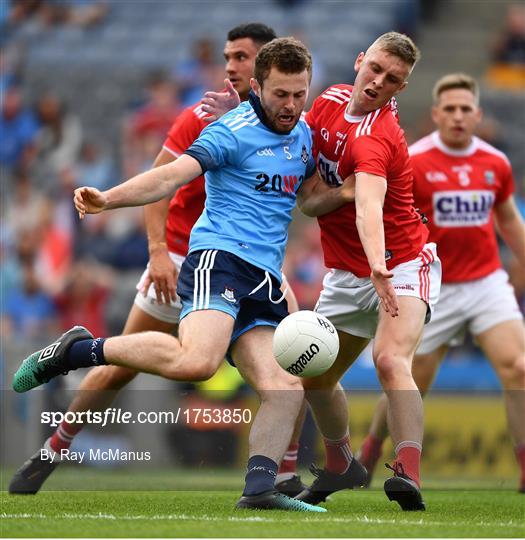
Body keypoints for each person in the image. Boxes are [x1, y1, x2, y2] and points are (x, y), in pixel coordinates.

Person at [12, 37, 328, 513]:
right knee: (194, 363)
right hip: (211, 261)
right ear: (260, 86)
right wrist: (109, 200)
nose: (290, 104)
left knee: (285, 385)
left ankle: (261, 487)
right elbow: (167, 177)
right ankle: (75, 353)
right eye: (280, 94)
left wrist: (350, 194)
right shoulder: (227, 129)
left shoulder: (303, 133)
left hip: (263, 277)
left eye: (298, 94)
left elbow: (304, 196)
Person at [356, 73, 525, 493]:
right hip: (436, 285)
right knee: (413, 376)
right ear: (435, 115)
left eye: (465, 109)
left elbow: (507, 220)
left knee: (520, 367)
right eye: (449, 109)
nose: (457, 116)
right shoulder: (415, 161)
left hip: (486, 282)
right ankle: (372, 449)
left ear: (478, 115)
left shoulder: (495, 163)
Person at [293, 32, 441, 511]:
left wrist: (379, 266)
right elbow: (311, 199)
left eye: (392, 78)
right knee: (312, 373)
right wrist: (336, 194)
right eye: (375, 67)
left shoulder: (378, 135)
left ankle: (409, 476)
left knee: (390, 359)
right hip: (345, 271)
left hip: (399, 264)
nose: (378, 80)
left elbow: (369, 208)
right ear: (360, 60)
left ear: (400, 88)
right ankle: (341, 464)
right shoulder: (328, 103)